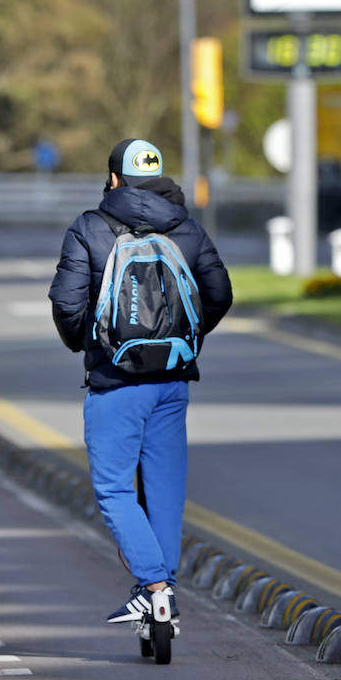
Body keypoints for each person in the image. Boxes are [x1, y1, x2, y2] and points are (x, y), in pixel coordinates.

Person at [48, 138, 232, 624]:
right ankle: (163, 588)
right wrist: (181, 336)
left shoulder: (90, 227)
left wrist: (90, 346)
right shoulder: (187, 229)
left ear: (113, 179)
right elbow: (219, 294)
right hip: (172, 380)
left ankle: (152, 585)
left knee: (113, 488)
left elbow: (67, 304)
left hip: (115, 380)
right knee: (166, 487)